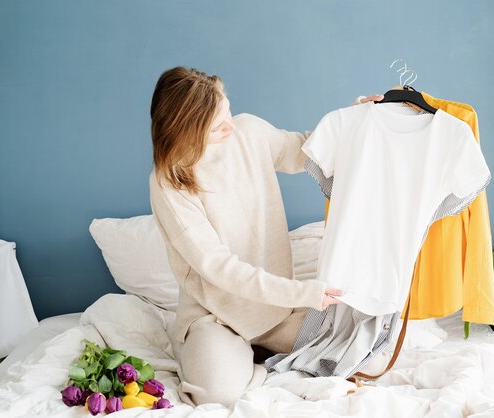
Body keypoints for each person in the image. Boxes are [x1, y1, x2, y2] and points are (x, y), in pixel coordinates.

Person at [149, 66, 383, 407]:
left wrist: (355, 119)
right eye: (217, 126)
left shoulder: (248, 131)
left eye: (227, 110)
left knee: (370, 357)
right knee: (217, 394)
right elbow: (219, 267)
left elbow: (308, 151)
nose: (231, 125)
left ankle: (266, 359)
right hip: (216, 317)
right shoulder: (169, 182)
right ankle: (269, 369)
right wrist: (303, 292)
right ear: (185, 131)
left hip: (277, 309)